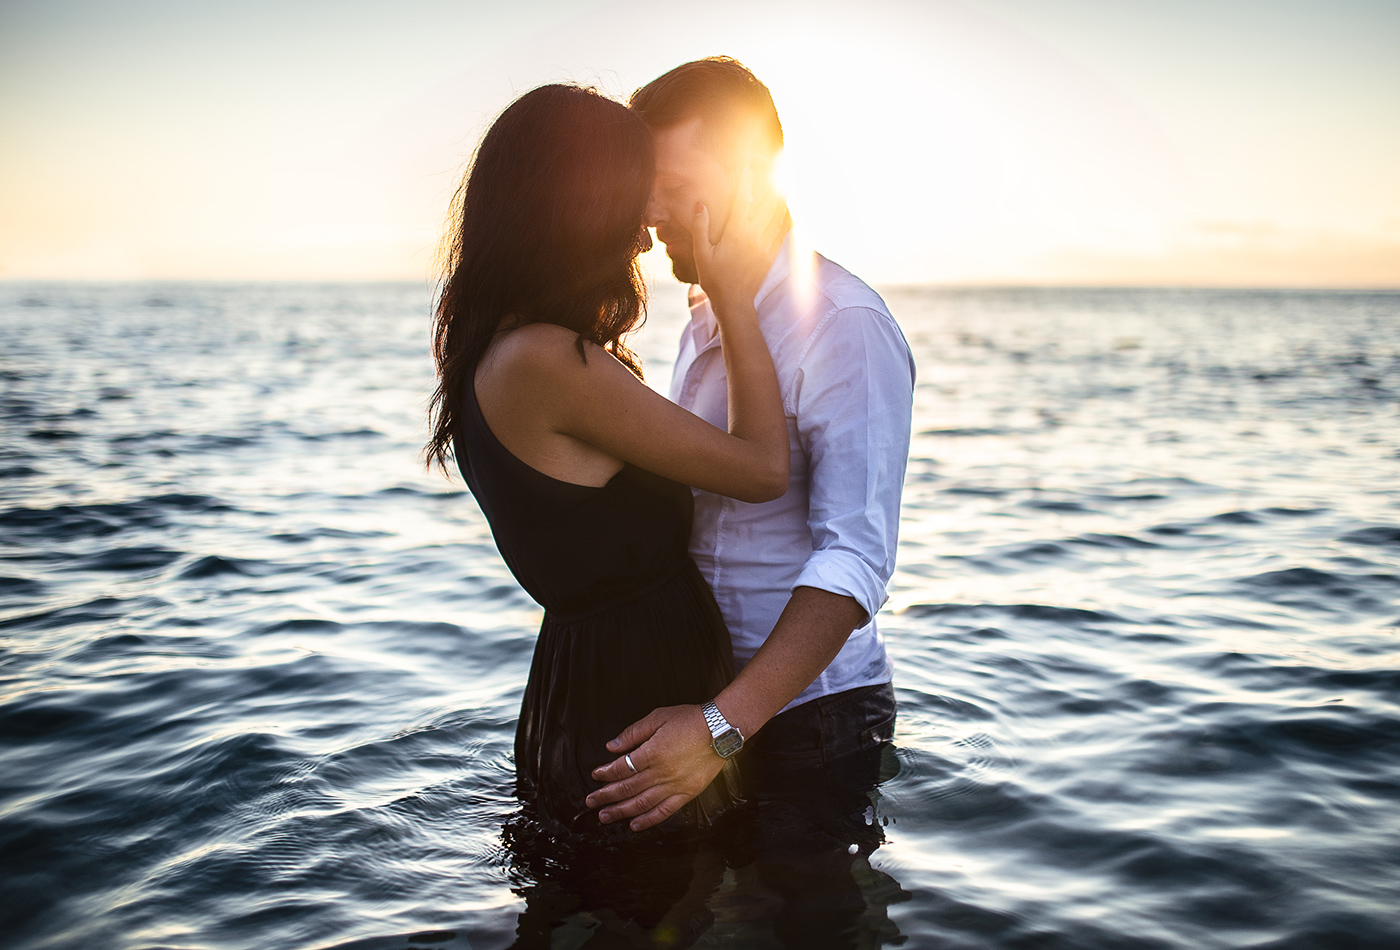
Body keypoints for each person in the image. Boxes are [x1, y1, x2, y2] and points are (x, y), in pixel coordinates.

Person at [424, 82, 791, 850]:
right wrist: (731, 297)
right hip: (631, 703)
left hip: (599, 689)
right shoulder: (547, 362)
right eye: (632, 204)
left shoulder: (507, 348)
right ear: (580, 206)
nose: (643, 239)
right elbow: (762, 468)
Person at [585, 58, 916, 868]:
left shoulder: (843, 323)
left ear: (744, 172)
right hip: (704, 705)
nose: (651, 210)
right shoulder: (705, 312)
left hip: (811, 723)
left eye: (673, 183)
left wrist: (721, 727)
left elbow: (857, 558)